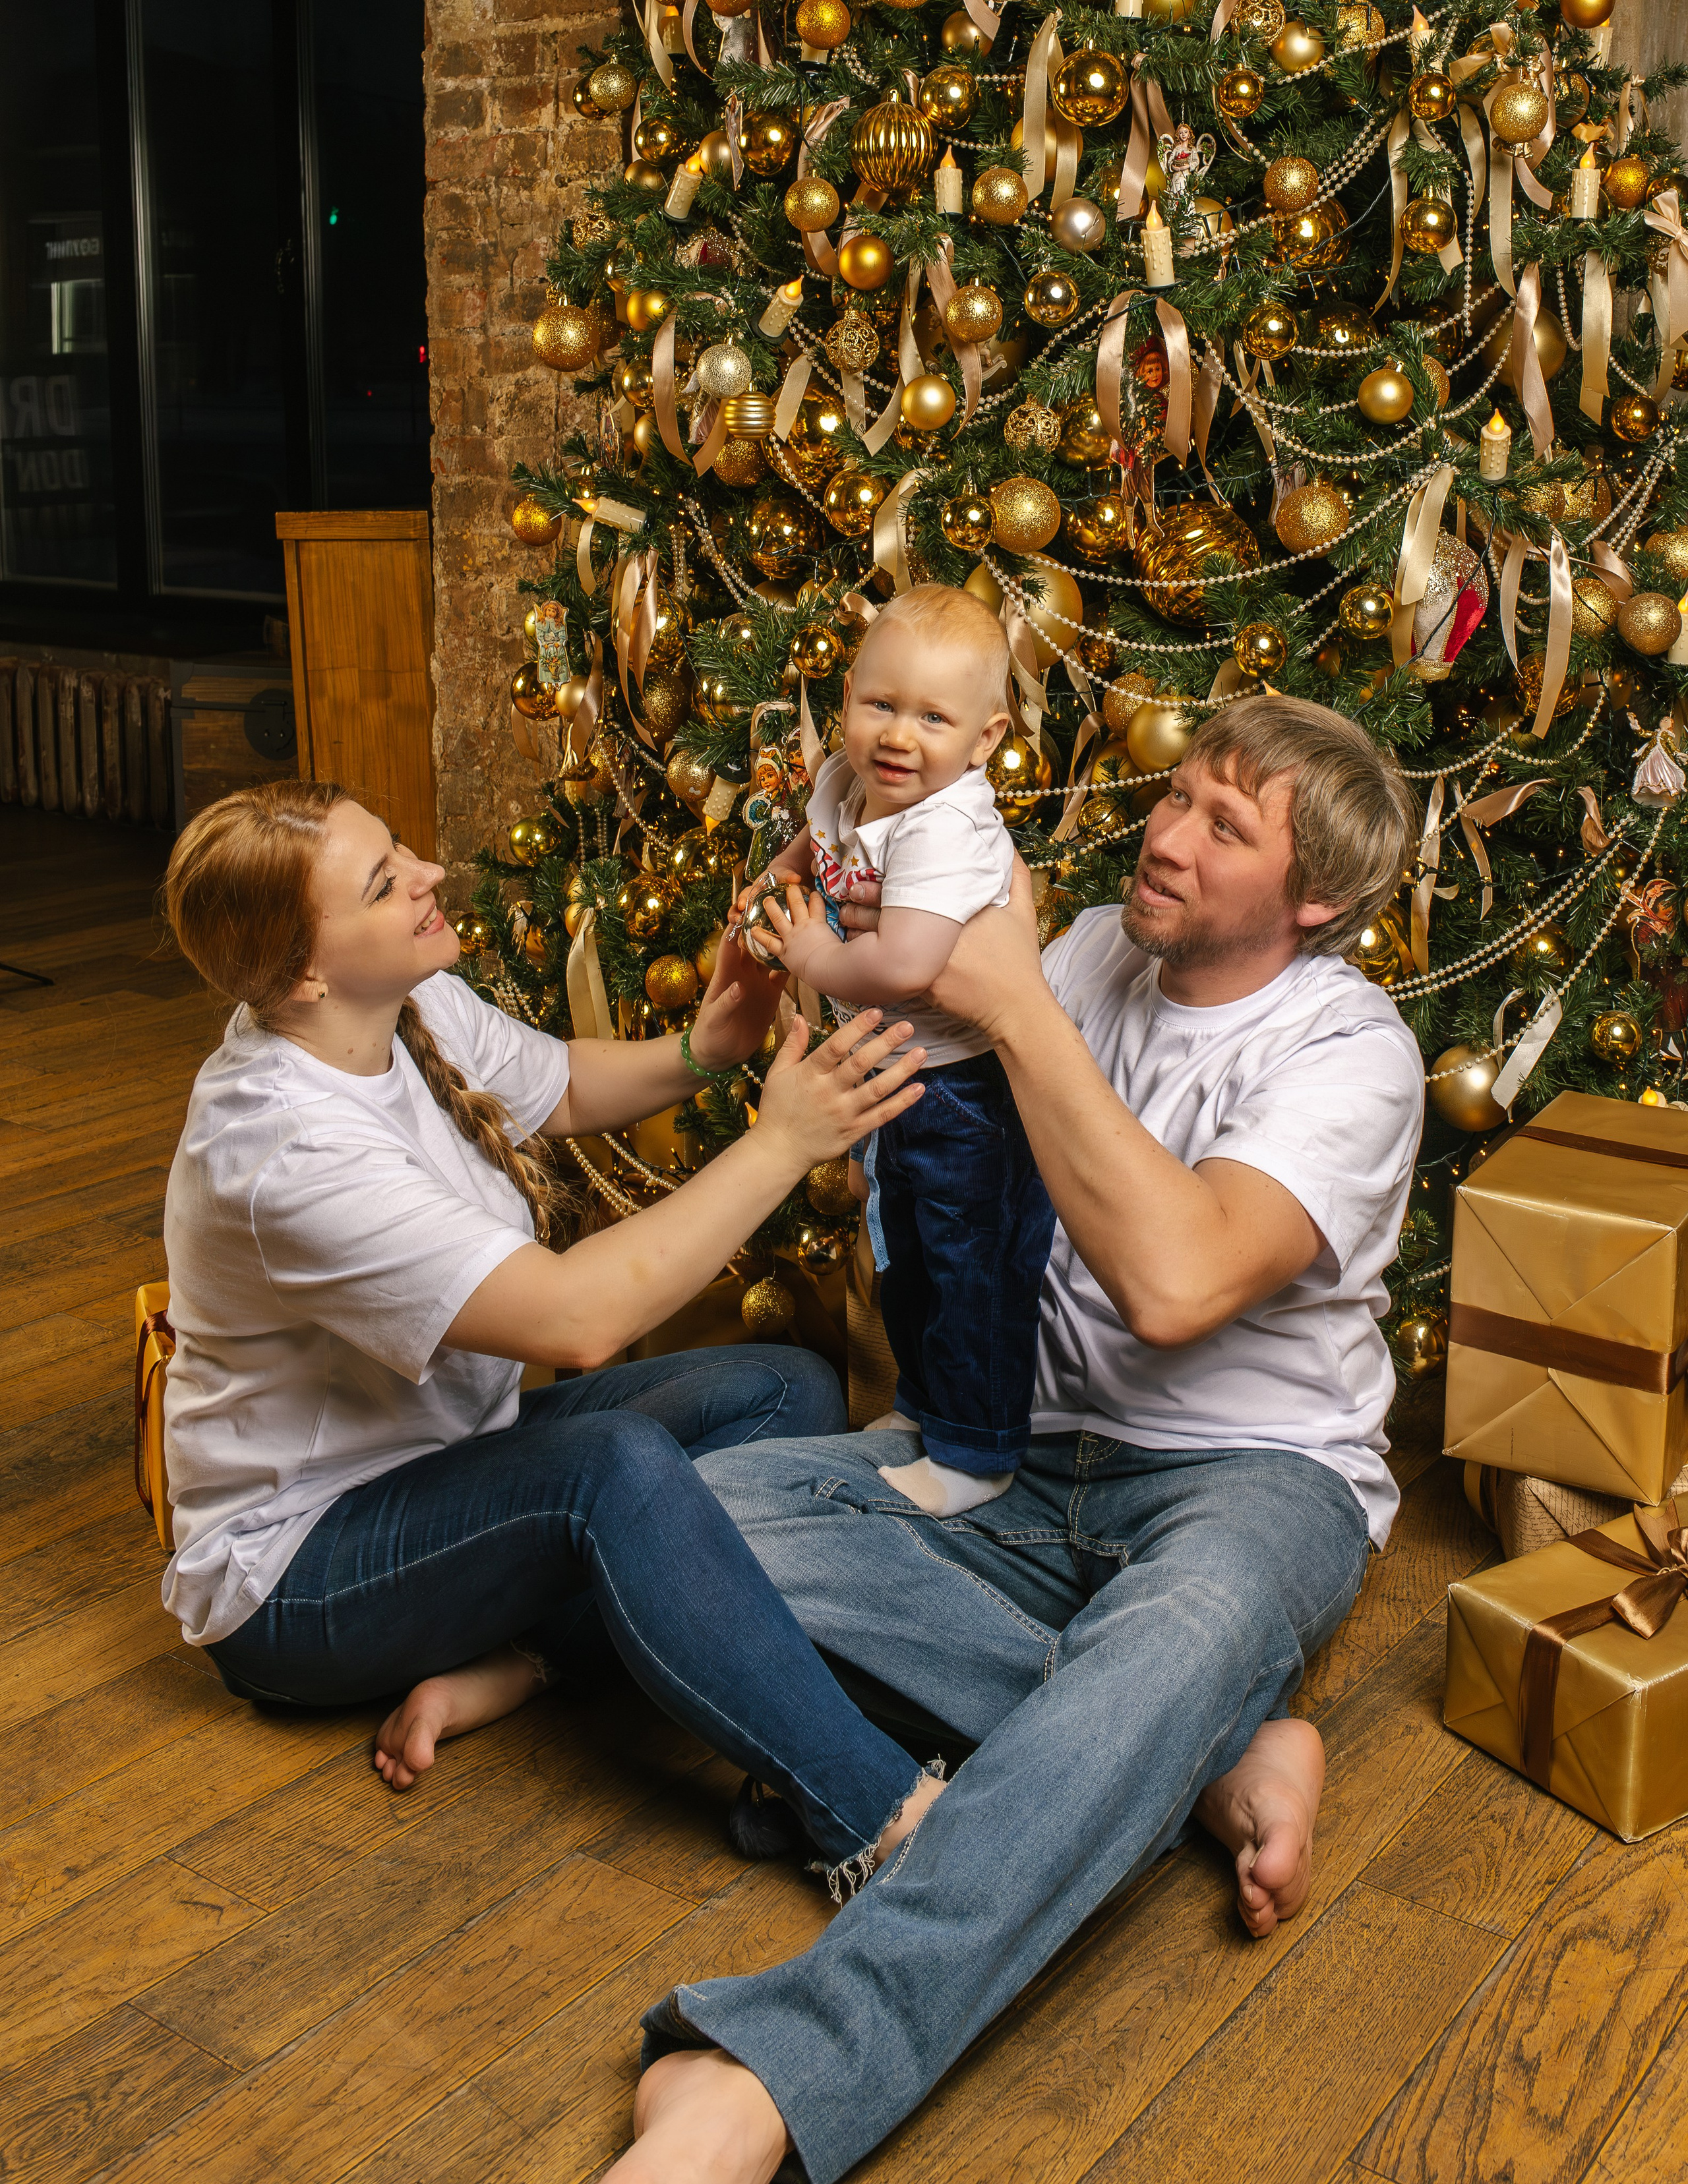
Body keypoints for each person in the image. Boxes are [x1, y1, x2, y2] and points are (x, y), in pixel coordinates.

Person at [607, 692, 1426, 2184]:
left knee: (1178, 1634)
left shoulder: (1347, 1053)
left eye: (1218, 826)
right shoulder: (1097, 947)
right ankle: (1202, 1752)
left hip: (1245, 1481)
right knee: (687, 1510)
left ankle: (766, 2079)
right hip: (1011, 1455)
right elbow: (926, 1077)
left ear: (1313, 901)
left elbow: (1174, 1282)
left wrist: (1016, 1008)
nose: (1160, 836)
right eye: (1172, 795)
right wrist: (805, 942)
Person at [156, 778, 946, 1889]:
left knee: (784, 1391)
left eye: (402, 846)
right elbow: (582, 1321)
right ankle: (876, 1812)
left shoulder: (399, 1006)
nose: (430, 872)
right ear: (303, 972)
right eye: (386, 882)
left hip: (450, 1469)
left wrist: (708, 1043)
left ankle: (527, 1660)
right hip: (297, 1573)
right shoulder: (281, 1148)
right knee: (610, 1469)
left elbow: (562, 1084)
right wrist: (782, 1142)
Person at [740, 585, 1057, 1519]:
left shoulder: (946, 825)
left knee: (972, 1263)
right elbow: (818, 838)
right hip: (900, 1070)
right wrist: (777, 877)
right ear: (847, 696)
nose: (898, 736)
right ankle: (927, 1408)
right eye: (880, 704)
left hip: (967, 1088)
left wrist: (812, 954)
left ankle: (980, 1448)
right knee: (908, 1254)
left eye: (933, 717)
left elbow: (911, 957)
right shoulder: (851, 783)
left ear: (986, 738)